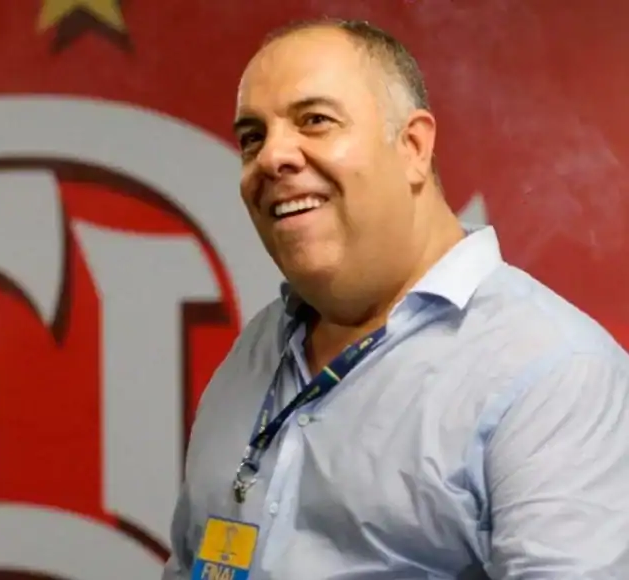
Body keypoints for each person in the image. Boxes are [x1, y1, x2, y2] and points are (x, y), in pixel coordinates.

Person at [162, 18, 629, 580]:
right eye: (252, 137)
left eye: (315, 120)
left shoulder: (555, 375)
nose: (271, 156)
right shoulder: (255, 350)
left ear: (412, 147)